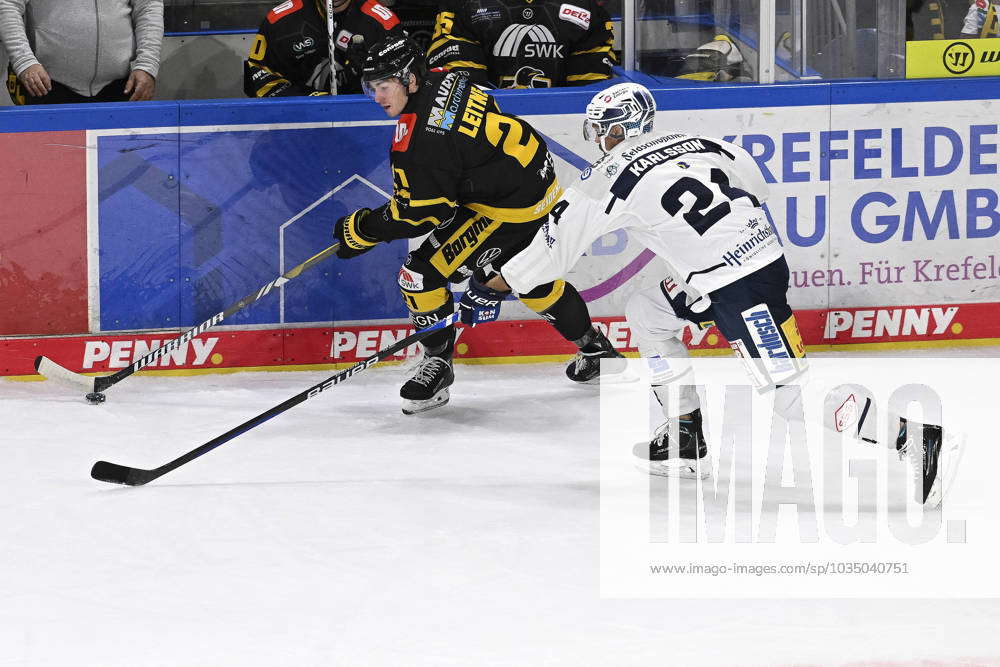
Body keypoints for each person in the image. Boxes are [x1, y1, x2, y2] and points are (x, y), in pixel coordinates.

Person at [462, 82, 949, 504]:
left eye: (602, 130)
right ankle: (683, 436)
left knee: (788, 396)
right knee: (647, 312)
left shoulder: (608, 177)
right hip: (742, 265)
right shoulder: (701, 140)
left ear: (619, 130)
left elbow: (553, 248)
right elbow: (756, 189)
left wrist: (490, 285)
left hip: (739, 286)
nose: (598, 141)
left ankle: (911, 436)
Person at [332, 35, 621, 414]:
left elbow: (419, 215)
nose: (378, 98)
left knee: (420, 275)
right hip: (538, 182)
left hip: (507, 208)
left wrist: (364, 229)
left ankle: (437, 364)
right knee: (531, 280)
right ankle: (597, 350)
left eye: (384, 87)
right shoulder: (450, 77)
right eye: (373, 88)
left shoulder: (419, 142)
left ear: (410, 79)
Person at [425, 0, 616, 89]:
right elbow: (461, 86)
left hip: (563, 126)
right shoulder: (462, 6)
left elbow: (589, 92)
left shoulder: (586, 9)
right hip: (483, 127)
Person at [0, 0, 162, 105]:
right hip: (48, 86)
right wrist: (25, 61)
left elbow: (148, 7)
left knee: (121, 157)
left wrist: (147, 65)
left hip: (122, 86)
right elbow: (8, 5)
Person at [244, 0, 403, 98]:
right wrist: (308, 101)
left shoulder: (382, 23)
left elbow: (402, 86)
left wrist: (367, 77)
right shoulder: (280, 22)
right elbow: (258, 75)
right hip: (297, 125)